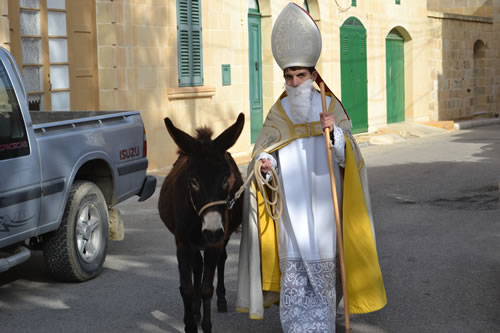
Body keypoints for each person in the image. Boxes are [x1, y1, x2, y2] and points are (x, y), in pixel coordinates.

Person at [236, 3, 386, 332]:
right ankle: (294, 327)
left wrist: (336, 137)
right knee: (296, 274)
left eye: (300, 75)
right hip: (290, 208)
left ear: (312, 75)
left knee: (323, 274)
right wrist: (265, 165)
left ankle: (322, 325)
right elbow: (267, 152)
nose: (294, 82)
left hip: (325, 210)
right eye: (289, 76)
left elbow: (352, 161)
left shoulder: (330, 107)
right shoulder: (278, 113)